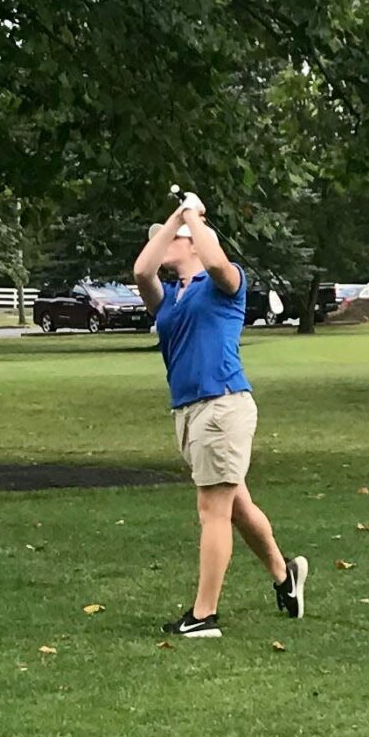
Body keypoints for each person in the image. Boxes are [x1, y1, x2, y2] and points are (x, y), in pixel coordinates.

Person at [133, 192, 308, 638]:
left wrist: (194, 216)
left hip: (222, 404)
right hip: (190, 411)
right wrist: (176, 217)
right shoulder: (169, 298)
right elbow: (140, 270)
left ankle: (204, 616)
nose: (167, 242)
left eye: (176, 239)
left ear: (195, 242)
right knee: (237, 505)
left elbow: (214, 263)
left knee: (212, 509)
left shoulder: (225, 283)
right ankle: (285, 577)